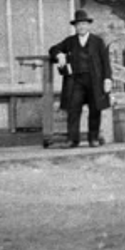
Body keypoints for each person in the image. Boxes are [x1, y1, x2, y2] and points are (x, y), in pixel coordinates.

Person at [49, 9, 113, 147]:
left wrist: (107, 79)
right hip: (76, 81)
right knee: (73, 109)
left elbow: (105, 62)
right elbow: (53, 49)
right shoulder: (70, 41)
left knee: (95, 109)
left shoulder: (98, 41)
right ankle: (72, 140)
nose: (81, 27)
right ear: (75, 27)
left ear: (88, 25)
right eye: (78, 25)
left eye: (84, 24)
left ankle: (93, 139)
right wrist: (59, 54)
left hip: (94, 80)